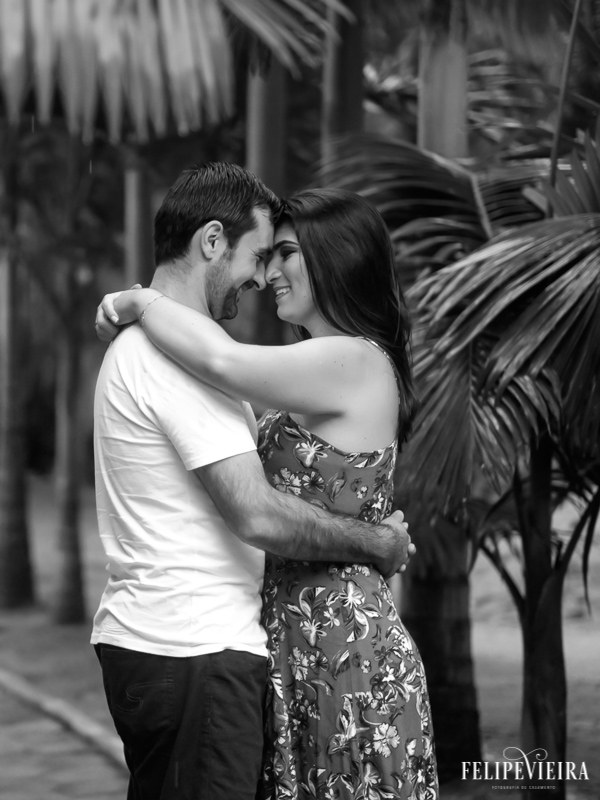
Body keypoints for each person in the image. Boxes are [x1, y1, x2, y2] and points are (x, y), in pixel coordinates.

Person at [95, 185, 438, 799]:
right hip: (287, 640)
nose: (269, 273)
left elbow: (222, 363)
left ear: (336, 258)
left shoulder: (354, 360)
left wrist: (139, 300)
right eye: (267, 254)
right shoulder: (309, 363)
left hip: (338, 642)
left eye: (286, 254)